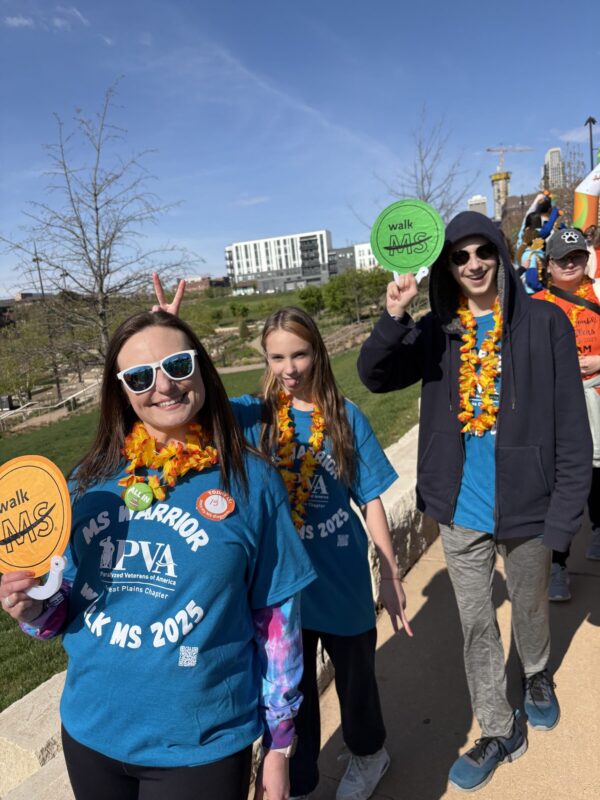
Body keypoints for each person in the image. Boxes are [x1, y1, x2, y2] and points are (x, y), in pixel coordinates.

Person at [0, 310, 316, 800]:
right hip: (91, 731)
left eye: (178, 365)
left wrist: (279, 745)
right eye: (141, 375)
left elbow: (277, 620)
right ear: (121, 390)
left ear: (202, 369)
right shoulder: (87, 482)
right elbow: (67, 603)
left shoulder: (251, 483)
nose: (164, 386)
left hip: (200, 744)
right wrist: (33, 607)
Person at [357, 211, 592, 793]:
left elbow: (571, 425)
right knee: (476, 624)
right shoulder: (439, 330)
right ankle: (496, 725)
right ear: (448, 266)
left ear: (500, 253)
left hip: (530, 505)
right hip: (460, 508)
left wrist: (565, 515)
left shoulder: (544, 323)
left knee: (530, 605)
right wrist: (394, 314)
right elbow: (375, 375)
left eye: (481, 251)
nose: (473, 265)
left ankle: (536, 674)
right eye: (459, 257)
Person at [229, 306, 411, 800]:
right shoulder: (255, 417)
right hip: (284, 593)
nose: (289, 369)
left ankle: (371, 754)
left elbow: (370, 499)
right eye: (277, 357)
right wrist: (171, 341)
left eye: (300, 354)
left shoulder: (345, 418)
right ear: (266, 360)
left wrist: (392, 578)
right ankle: (302, 781)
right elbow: (194, 407)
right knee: (294, 697)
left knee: (356, 685)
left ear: (318, 352)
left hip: (343, 582)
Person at [533, 228, 600, 600]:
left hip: (598, 395)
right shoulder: (536, 304)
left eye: (577, 255)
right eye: (563, 258)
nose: (571, 263)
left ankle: (599, 529)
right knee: (563, 480)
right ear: (550, 264)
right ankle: (558, 566)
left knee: (598, 470)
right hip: (558, 402)